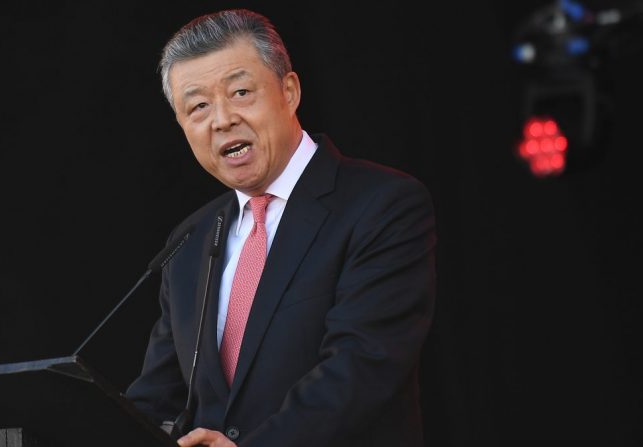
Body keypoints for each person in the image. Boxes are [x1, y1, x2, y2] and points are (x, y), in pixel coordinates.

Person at [125, 8, 437, 447]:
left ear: (288, 91)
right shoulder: (190, 240)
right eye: (197, 106)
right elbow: (158, 396)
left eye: (240, 92)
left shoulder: (381, 205)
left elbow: (361, 367)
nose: (221, 119)